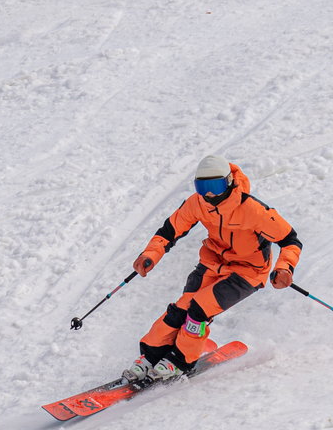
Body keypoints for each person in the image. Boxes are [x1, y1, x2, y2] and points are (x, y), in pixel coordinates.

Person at [123, 155, 302, 382]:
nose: (209, 194)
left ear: (227, 182)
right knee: (181, 308)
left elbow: (290, 240)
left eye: (215, 186)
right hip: (212, 263)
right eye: (202, 187)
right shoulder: (198, 203)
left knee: (199, 310)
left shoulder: (253, 210)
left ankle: (180, 361)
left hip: (247, 272)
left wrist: (284, 268)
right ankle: (150, 356)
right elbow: (170, 230)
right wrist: (150, 254)